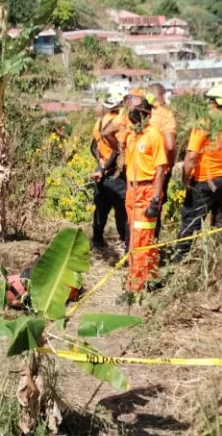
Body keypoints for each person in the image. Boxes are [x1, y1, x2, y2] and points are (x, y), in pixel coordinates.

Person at [174, 85, 222, 260]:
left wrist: (186, 178)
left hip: (204, 181)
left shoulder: (204, 123)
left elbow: (191, 156)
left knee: (192, 220)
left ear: (214, 102)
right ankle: (220, 259)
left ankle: (180, 258)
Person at [121, 93, 168, 300]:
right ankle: (151, 277)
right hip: (132, 191)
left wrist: (155, 200)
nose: (133, 116)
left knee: (139, 242)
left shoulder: (153, 135)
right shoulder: (132, 135)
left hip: (147, 191)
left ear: (146, 114)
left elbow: (160, 169)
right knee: (139, 238)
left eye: (137, 112)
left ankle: (134, 288)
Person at [90, 92, 128, 252]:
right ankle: (123, 240)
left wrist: (100, 163)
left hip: (102, 170)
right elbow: (117, 151)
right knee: (121, 208)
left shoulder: (99, 122)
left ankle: (97, 240)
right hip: (115, 172)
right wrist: (106, 167)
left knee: (101, 206)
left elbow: (92, 146)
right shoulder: (118, 123)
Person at [147, 83, 177, 237]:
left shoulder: (141, 112)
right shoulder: (165, 114)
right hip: (159, 167)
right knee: (155, 205)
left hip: (139, 167)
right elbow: (170, 146)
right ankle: (153, 242)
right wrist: (170, 164)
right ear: (162, 96)